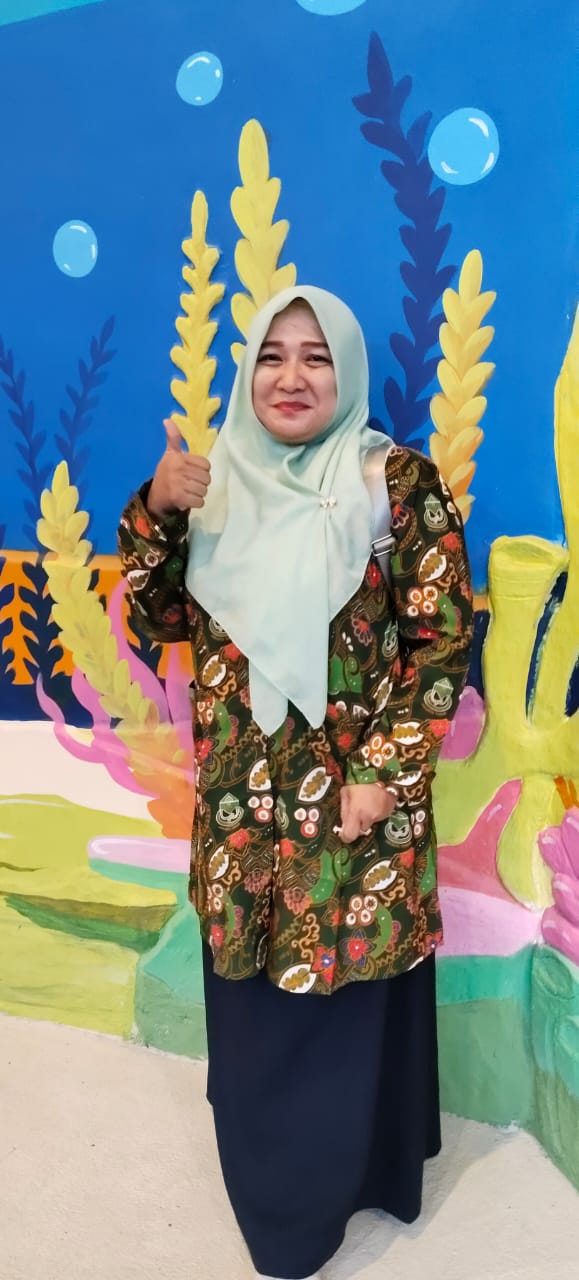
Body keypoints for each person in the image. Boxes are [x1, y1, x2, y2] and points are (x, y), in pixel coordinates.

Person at [118, 286, 474, 1280]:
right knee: (256, 1012)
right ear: (248, 371)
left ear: (345, 372)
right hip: (243, 813)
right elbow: (158, 619)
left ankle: (359, 1178)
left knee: (350, 1001)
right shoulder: (214, 482)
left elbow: (442, 641)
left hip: (355, 813)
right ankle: (276, 1211)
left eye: (316, 357)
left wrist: (384, 772)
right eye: (272, 355)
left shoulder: (394, 482)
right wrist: (158, 510)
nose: (290, 377)